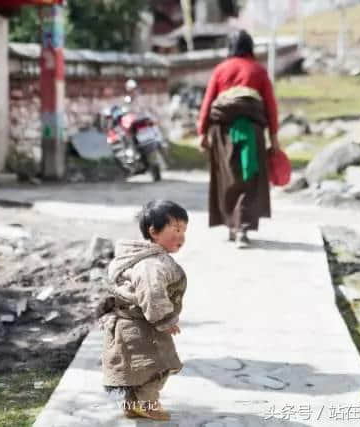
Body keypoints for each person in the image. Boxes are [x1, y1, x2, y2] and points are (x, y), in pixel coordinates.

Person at [98, 200, 188, 421]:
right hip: (141, 325)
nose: (182, 235)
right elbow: (152, 294)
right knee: (158, 366)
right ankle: (147, 404)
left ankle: (132, 405)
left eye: (184, 230)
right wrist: (166, 319)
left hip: (130, 323)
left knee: (137, 369)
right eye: (176, 229)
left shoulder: (139, 258)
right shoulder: (151, 265)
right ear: (154, 232)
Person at [197, 30, 281, 248]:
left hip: (222, 132)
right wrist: (274, 137)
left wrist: (201, 133)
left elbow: (207, 102)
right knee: (249, 178)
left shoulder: (221, 70)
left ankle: (232, 227)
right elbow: (270, 106)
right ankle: (242, 229)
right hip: (251, 132)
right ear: (250, 46)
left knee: (227, 178)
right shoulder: (258, 70)